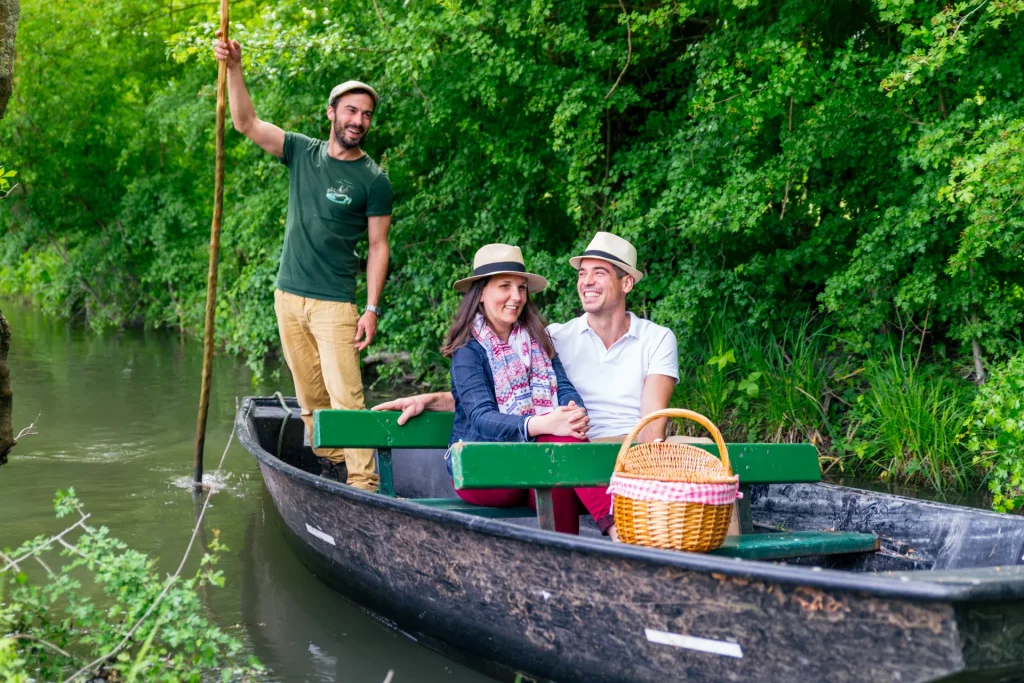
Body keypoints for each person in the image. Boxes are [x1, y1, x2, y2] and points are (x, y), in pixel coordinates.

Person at [214, 36, 392, 491]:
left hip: (335, 304)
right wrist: (234, 67)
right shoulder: (302, 152)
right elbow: (246, 122)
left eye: (366, 114)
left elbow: (378, 246)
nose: (359, 121)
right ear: (332, 113)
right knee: (310, 397)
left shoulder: (372, 178)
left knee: (347, 399)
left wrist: (371, 308)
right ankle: (331, 463)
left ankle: (364, 485)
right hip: (288, 296)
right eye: (351, 111)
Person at [375, 232, 680, 444]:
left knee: (706, 455)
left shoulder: (656, 338)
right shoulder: (554, 337)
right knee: (561, 444)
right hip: (569, 443)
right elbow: (492, 398)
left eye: (599, 273)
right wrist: (430, 400)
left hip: (618, 446)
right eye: (582, 273)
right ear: (481, 295)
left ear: (626, 283)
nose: (586, 281)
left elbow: (653, 425)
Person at [442, 243, 615, 535]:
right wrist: (543, 423)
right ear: (481, 293)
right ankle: (617, 530)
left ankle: (566, 556)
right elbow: (481, 417)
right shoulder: (468, 350)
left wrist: (572, 411)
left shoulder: (537, 339)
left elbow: (563, 386)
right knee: (554, 444)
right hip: (482, 468)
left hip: (532, 463)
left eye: (521, 288)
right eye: (505, 287)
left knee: (556, 452)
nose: (516, 297)